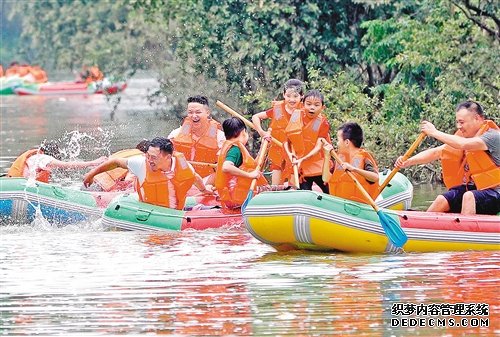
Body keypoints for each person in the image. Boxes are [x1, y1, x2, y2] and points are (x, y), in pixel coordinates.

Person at [395, 101, 499, 215]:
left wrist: (434, 132)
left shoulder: (492, 136)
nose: (459, 126)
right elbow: (436, 152)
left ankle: (464, 230)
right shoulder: (463, 137)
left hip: (495, 192)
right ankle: (421, 227)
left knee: (469, 196)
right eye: (457, 122)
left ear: (478, 118)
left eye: (462, 122)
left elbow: (463, 144)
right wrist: (408, 161)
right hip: (474, 188)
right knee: (442, 200)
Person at [83, 137, 210, 210]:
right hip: (148, 213)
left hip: (175, 215)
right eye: (148, 156)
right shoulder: (141, 164)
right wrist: (91, 174)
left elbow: (195, 178)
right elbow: (116, 162)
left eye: (154, 157)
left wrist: (204, 190)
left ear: (168, 157)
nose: (149, 160)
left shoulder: (183, 165)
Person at [252, 79, 304, 185]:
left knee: (294, 186)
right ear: (284, 95)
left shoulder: (304, 111)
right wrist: (262, 132)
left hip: (294, 154)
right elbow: (255, 117)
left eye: (295, 96)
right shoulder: (277, 109)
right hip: (278, 151)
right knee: (276, 186)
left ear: (301, 96)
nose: (292, 99)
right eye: (289, 96)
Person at [214, 117, 268, 210]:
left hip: (232, 197)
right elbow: (226, 167)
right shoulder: (235, 150)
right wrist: (249, 175)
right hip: (237, 198)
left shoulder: (230, 146)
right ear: (243, 132)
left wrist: (263, 145)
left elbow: (254, 165)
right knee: (286, 188)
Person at [284, 89, 331, 192]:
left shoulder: (323, 123)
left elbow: (318, 147)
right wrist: (289, 153)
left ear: (322, 107)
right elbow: (286, 141)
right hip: (301, 167)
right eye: (308, 104)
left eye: (316, 105)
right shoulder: (296, 116)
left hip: (317, 165)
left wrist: (303, 159)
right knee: (304, 193)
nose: (312, 108)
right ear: (303, 104)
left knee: (329, 191)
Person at [168, 96, 225, 181]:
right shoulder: (175, 135)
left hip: (208, 182)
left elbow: (224, 167)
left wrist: (206, 185)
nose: (194, 116)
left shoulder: (220, 138)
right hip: (182, 180)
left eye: (198, 112)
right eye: (190, 112)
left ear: (207, 113)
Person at [322, 122, 379, 204]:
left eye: (338, 140)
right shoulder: (339, 158)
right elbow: (326, 179)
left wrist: (354, 169)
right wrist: (327, 156)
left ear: (347, 142)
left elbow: (375, 177)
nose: (337, 143)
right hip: (340, 204)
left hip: (359, 206)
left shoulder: (364, 157)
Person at [7, 140, 106, 183]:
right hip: (20, 189)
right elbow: (68, 165)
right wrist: (93, 162)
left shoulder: (34, 158)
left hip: (14, 185)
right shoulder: (44, 158)